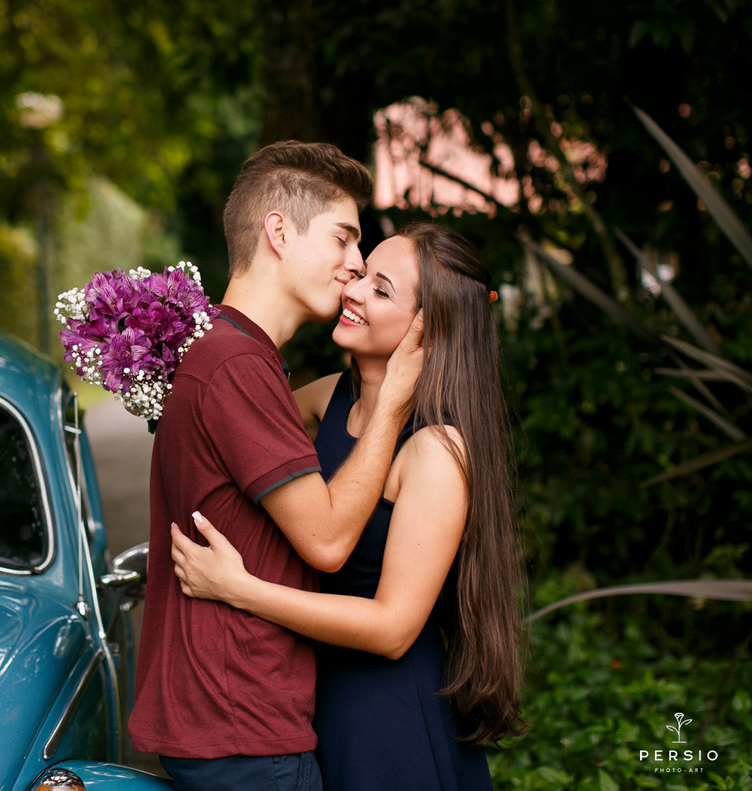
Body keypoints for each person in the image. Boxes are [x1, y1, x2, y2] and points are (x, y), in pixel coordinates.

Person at [169, 222, 527, 790]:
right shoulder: (330, 395)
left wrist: (239, 589)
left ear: (426, 333)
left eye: (380, 289)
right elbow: (233, 427)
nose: (353, 290)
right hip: (307, 695)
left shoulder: (435, 448)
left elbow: (392, 628)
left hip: (384, 716)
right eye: (359, 275)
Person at [127, 141, 425, 791]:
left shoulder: (232, 357)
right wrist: (394, 404)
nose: (354, 265)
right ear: (279, 232)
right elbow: (326, 541)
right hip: (246, 733)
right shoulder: (237, 365)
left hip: (225, 727)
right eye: (344, 240)